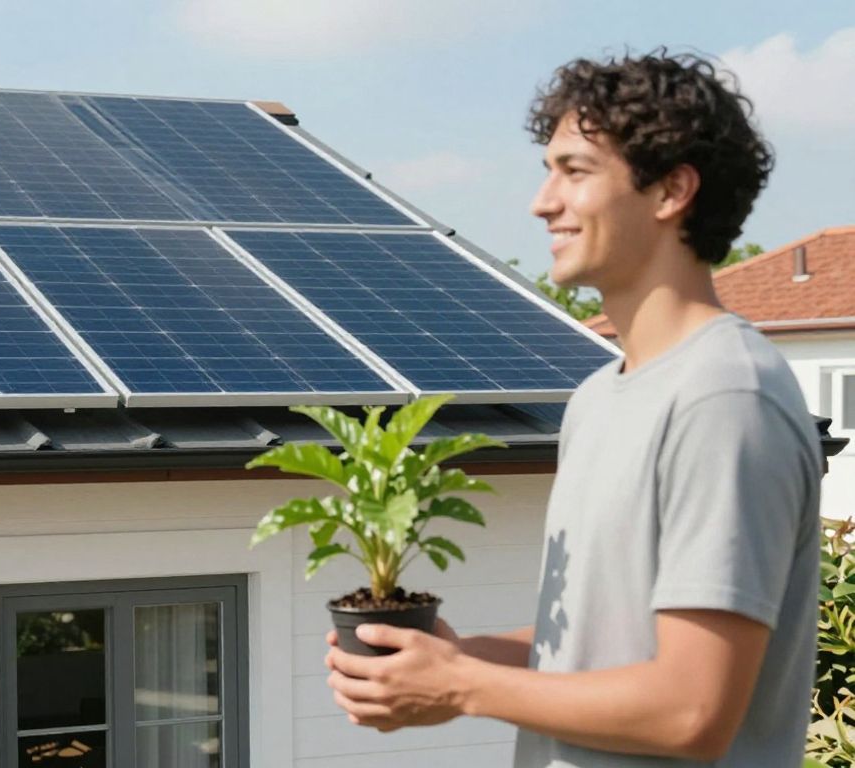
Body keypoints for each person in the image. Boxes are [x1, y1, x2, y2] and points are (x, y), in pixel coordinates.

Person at [325, 49, 823, 766]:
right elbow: (598, 647)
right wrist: (452, 658)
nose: (542, 201)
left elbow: (692, 709)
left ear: (670, 191)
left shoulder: (726, 398)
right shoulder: (597, 399)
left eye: (575, 171)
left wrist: (462, 686)